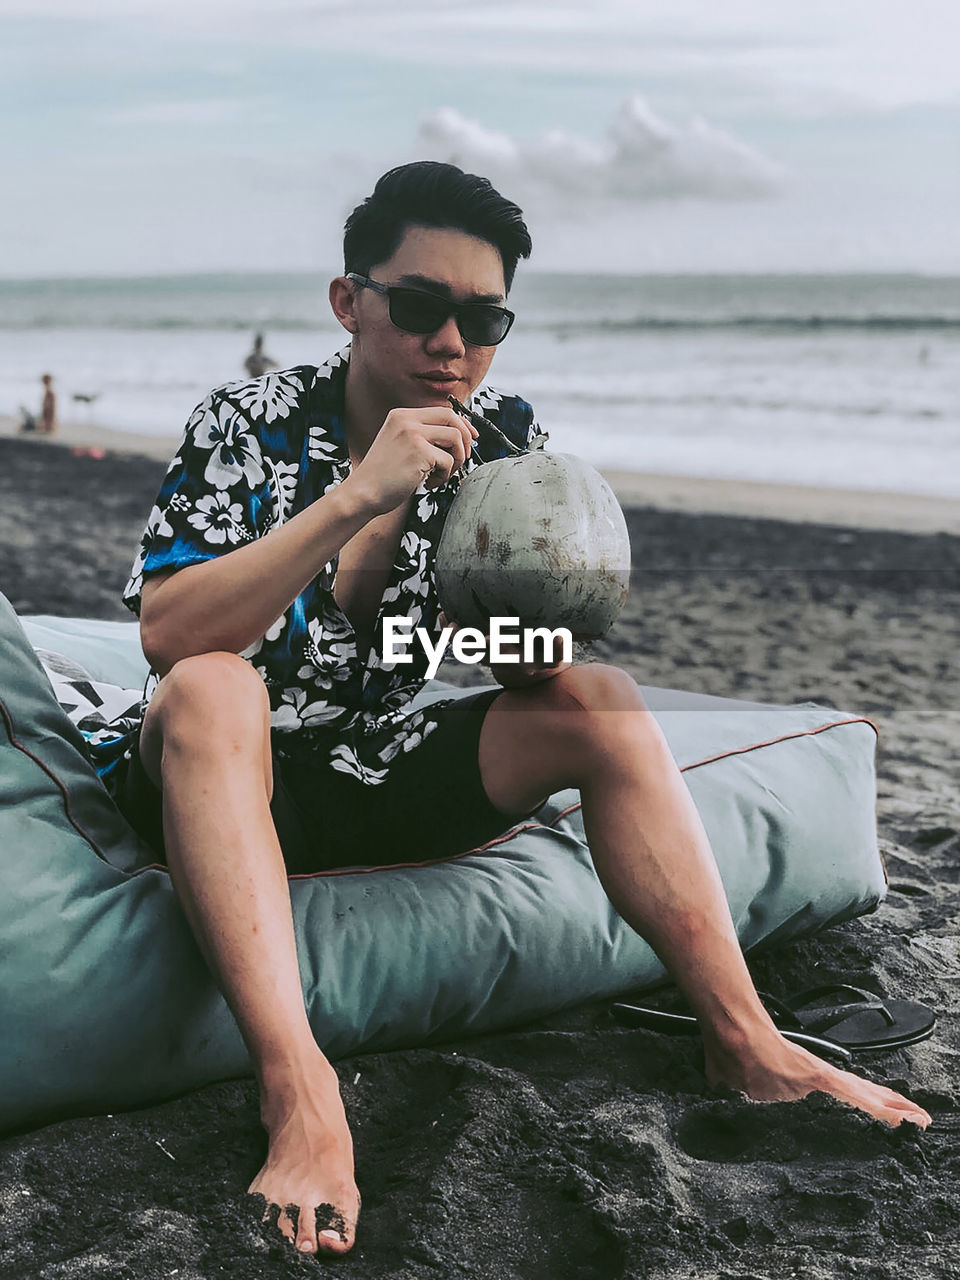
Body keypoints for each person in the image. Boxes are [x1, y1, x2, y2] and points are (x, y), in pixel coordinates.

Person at [105, 161, 929, 1259]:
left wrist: (540, 636)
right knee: (218, 681)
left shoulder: (500, 440)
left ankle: (745, 1038)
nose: (452, 341)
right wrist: (358, 494)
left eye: (483, 317)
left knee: (598, 698)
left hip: (368, 759)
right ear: (350, 302)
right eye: (419, 304)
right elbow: (170, 631)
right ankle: (299, 1087)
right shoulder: (252, 419)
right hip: (212, 763)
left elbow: (474, 650)